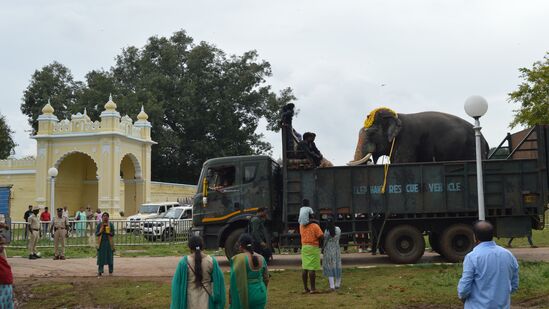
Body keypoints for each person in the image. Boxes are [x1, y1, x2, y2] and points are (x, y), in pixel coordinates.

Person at [458, 221, 519, 308]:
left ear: (475, 237)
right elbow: (514, 284)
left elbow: (464, 288)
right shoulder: (508, 254)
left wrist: (462, 296)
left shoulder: (472, 257)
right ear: (492, 235)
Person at [170, 235, 226, 309]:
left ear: (189, 247)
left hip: (190, 300)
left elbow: (177, 285)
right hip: (207, 300)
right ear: (202, 246)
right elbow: (219, 281)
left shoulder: (184, 263)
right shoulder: (211, 261)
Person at [229, 234, 269, 309]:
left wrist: (231, 296)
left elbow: (233, 280)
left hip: (246, 294)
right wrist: (263, 289)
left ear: (241, 246)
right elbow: (266, 278)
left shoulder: (239, 259)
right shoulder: (262, 258)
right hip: (261, 292)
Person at [299, 206, 323, 294]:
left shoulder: (301, 226)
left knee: (305, 268)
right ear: (311, 217)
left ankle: (305, 288)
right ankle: (313, 289)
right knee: (312, 269)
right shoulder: (315, 226)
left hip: (304, 247)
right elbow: (321, 236)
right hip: (313, 247)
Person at [323, 219, 342, 291]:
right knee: (337, 265)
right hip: (337, 249)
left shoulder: (327, 231)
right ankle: (338, 284)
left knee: (329, 267)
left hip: (328, 250)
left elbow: (325, 241)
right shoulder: (338, 229)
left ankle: (332, 286)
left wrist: (322, 249)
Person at [96, 212, 115, 276]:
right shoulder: (99, 225)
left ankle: (111, 271)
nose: (105, 217)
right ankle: (100, 270)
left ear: (108, 218)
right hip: (101, 243)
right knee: (101, 257)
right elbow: (97, 234)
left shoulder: (111, 225)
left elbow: (113, 234)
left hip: (109, 243)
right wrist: (101, 231)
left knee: (110, 257)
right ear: (102, 218)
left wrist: (108, 232)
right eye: (104, 216)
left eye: (106, 216)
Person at [0, 235, 14, 309]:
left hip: (7, 286)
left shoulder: (2, 254)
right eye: (0, 244)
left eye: (3, 244)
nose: (2, 246)